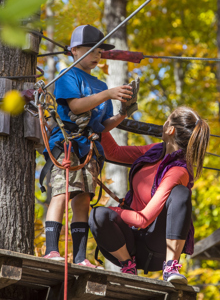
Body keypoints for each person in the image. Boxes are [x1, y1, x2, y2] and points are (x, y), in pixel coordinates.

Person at [43, 24, 136, 268]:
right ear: (74, 50)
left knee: (83, 200)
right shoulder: (68, 75)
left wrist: (123, 114)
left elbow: (101, 126)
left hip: (89, 149)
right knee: (61, 193)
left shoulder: (101, 86)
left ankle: (80, 256)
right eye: (92, 50)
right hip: (67, 145)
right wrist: (108, 95)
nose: (97, 55)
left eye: (100, 51)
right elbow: (75, 107)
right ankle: (52, 249)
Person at [88, 106, 210, 283]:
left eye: (166, 120)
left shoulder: (178, 170)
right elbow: (113, 153)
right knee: (98, 215)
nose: (163, 123)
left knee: (180, 193)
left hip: (155, 247)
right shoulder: (154, 150)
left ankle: (170, 266)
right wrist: (96, 121)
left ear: (170, 129)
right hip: (128, 242)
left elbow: (143, 219)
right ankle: (128, 265)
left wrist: (117, 211)